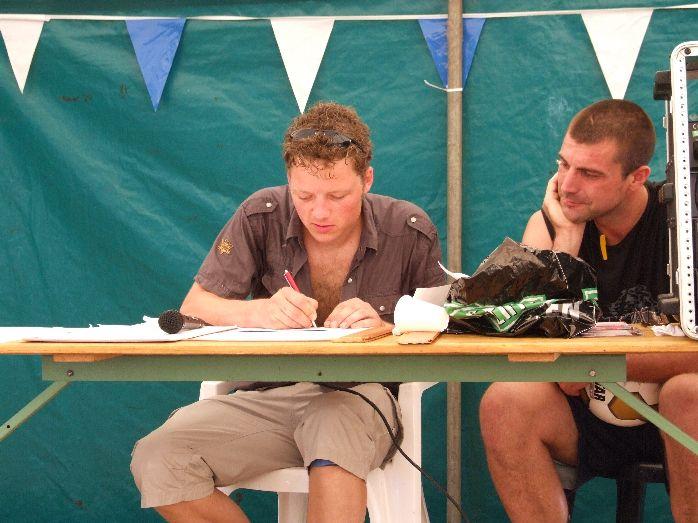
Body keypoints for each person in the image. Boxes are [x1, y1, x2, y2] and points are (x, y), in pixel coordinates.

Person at [130, 101, 444, 522]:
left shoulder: (407, 229)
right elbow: (195, 306)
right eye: (304, 195)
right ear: (289, 183)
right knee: (158, 458)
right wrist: (259, 313)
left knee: (333, 429)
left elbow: (446, 325)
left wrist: (387, 326)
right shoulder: (261, 215)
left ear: (367, 179)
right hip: (272, 395)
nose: (319, 212)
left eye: (337, 196)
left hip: (364, 397)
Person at [479, 100, 698, 522]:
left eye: (589, 174)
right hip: (588, 413)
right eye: (563, 165)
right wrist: (566, 241)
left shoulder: (681, 224)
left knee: (688, 393)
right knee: (505, 401)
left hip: (673, 414)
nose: (568, 185)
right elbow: (535, 355)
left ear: (637, 178)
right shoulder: (548, 224)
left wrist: (593, 363)